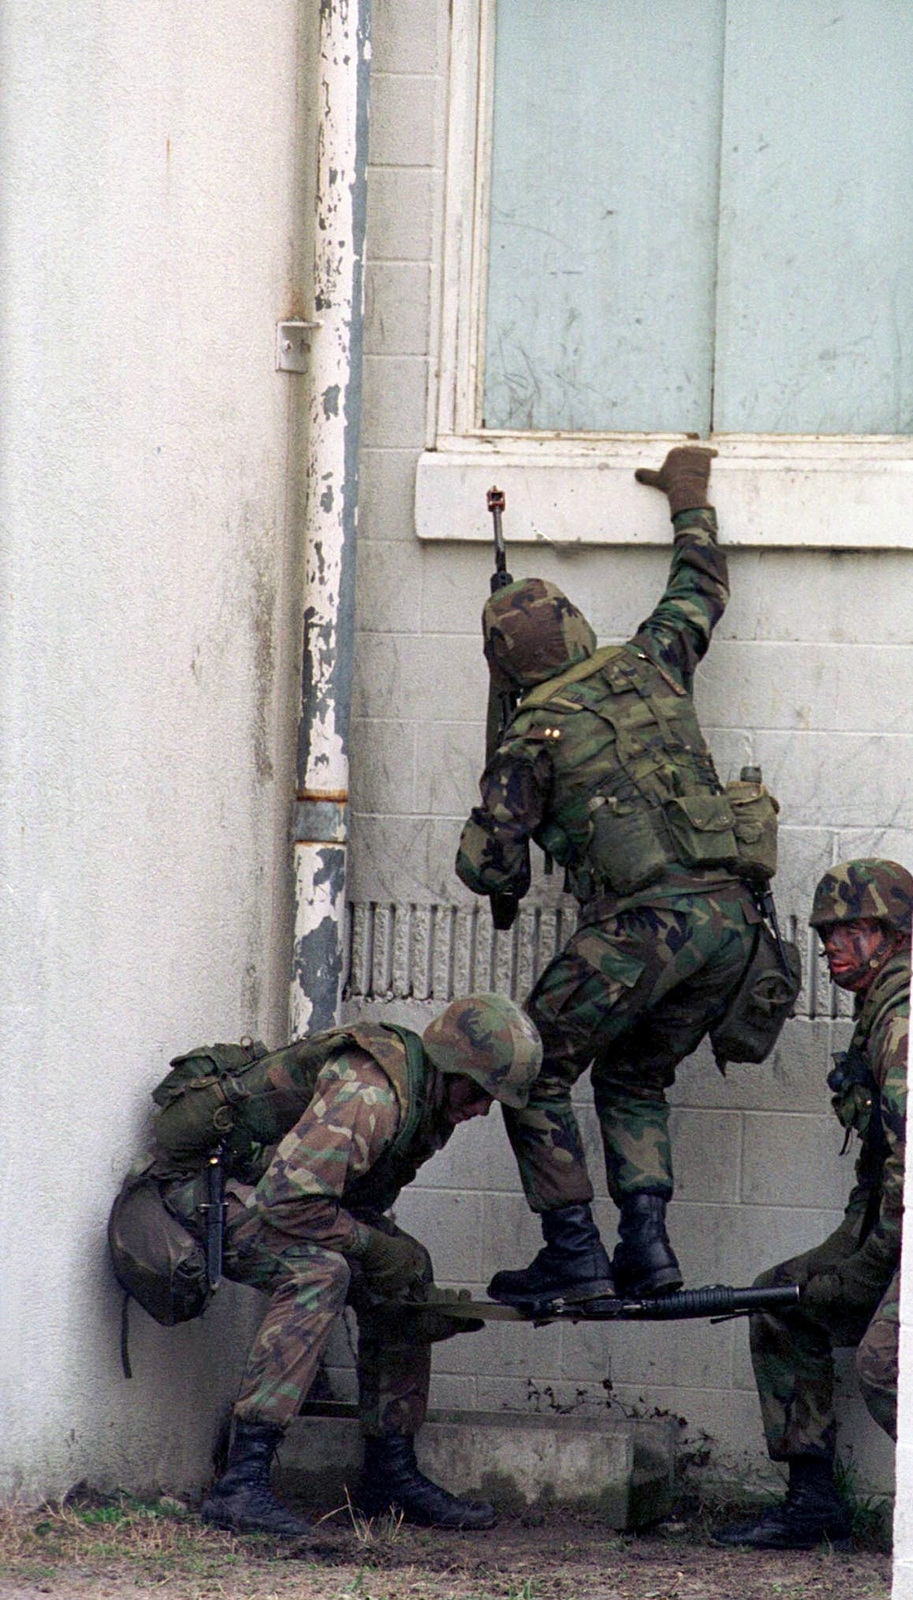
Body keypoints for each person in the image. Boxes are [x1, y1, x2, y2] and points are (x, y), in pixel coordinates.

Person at [455, 446, 759, 1312]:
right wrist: (688, 496)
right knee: (631, 1076)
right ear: (579, 626)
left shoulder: (532, 735)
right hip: (734, 929)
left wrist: (505, 824)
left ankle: (575, 1251)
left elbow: (483, 865)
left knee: (530, 1067)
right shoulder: (656, 659)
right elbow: (702, 584)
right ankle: (649, 1247)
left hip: (645, 927)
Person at [150, 994, 542, 1539]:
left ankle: (390, 1474)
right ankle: (241, 1482)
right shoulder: (371, 1095)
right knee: (320, 1272)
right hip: (207, 1191)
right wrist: (368, 1247)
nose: (481, 1110)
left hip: (273, 1192)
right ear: (452, 1069)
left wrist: (393, 1271)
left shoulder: (428, 1098)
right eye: (478, 1093)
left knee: (406, 1267)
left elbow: (341, 1199)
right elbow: (288, 1202)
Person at [716, 860, 913, 1551]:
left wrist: (865, 1271)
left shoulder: (905, 1021)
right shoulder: (881, 1008)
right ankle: (811, 1504)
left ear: (890, 935)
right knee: (780, 1299)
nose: (830, 943)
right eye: (824, 930)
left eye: (847, 929)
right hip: (886, 1228)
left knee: (884, 1367)